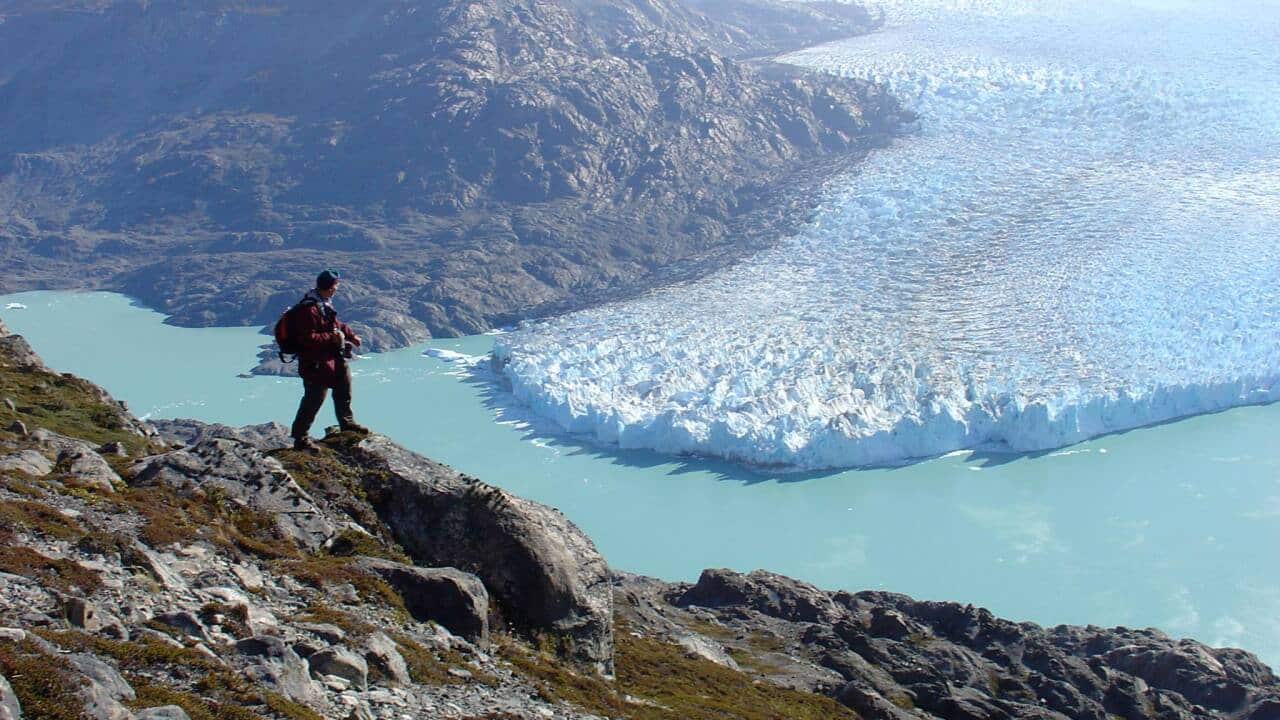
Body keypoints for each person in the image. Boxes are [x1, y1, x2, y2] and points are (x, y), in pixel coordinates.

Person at [289, 269, 369, 450]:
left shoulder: (323, 303)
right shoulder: (308, 309)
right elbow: (307, 338)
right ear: (330, 287)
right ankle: (300, 437)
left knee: (344, 387)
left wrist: (350, 336)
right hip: (315, 363)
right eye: (335, 286)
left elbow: (335, 324)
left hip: (332, 358)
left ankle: (347, 423)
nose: (337, 289)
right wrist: (331, 338)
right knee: (313, 399)